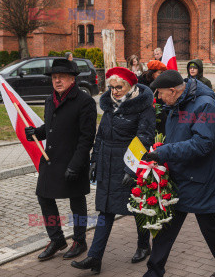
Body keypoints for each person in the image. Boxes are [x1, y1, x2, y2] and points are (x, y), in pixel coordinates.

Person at [142, 70, 215, 277]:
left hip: (200, 177)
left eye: (160, 93)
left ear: (173, 91)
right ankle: (154, 270)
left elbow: (203, 144)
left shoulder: (204, 105)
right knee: (167, 225)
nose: (158, 98)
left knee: (208, 225)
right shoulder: (177, 103)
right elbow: (177, 136)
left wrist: (164, 152)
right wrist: (161, 148)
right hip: (181, 173)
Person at [71, 67, 155, 273]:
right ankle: (94, 257)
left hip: (128, 163)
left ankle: (144, 245)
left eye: (119, 87)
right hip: (107, 164)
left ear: (130, 86)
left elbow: (144, 138)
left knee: (136, 208)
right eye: (111, 87)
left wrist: (131, 168)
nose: (115, 91)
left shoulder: (143, 107)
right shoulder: (109, 106)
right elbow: (100, 136)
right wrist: (94, 162)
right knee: (105, 210)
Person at [24, 59, 97, 261]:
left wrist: (76, 165)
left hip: (74, 161)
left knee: (77, 202)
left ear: (72, 79)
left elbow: (86, 138)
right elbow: (51, 127)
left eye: (61, 77)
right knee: (44, 197)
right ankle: (56, 239)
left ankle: (80, 241)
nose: (57, 81)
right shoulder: (50, 100)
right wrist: (36, 133)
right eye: (54, 77)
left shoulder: (85, 102)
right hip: (50, 160)